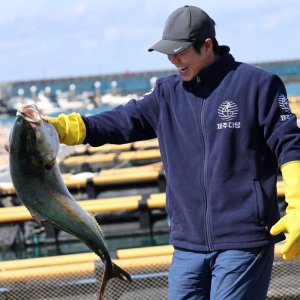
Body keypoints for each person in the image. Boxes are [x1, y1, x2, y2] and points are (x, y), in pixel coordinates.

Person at [44, 5, 300, 300]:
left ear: (207, 46)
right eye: (168, 52)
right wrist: (68, 128)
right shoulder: (166, 92)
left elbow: (289, 143)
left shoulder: (257, 85)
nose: (172, 59)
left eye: (179, 51)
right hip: (187, 244)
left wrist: (296, 206)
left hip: (243, 241)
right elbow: (123, 121)